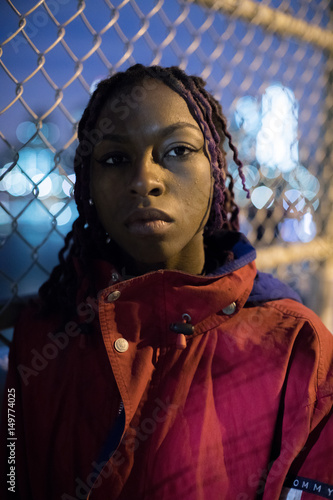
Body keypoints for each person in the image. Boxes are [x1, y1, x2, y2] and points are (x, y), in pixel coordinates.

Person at [0, 64, 332, 500]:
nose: (145, 180)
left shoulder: (296, 344)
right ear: (89, 185)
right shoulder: (42, 337)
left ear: (215, 170)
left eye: (176, 150)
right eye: (116, 159)